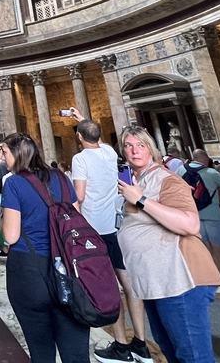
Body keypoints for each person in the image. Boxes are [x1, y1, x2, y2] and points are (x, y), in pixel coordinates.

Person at [115, 126, 220, 363]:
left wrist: (141, 200)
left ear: (151, 148)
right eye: (128, 146)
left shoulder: (166, 179)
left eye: (140, 145)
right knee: (171, 352)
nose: (134, 151)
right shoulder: (138, 178)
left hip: (179, 279)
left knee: (193, 357)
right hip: (156, 281)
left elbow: (190, 223)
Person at [0, 133, 90, 363]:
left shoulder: (14, 182)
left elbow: (11, 236)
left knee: (41, 352)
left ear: (17, 154)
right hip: (68, 268)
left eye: (6, 153)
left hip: (31, 271)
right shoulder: (61, 177)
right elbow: (76, 219)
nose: (4, 158)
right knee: (77, 354)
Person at [70, 115, 149, 363]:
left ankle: (122, 346)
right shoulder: (108, 152)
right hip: (119, 224)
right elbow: (97, 138)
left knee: (108, 287)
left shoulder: (80, 158)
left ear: (79, 137)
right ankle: (141, 343)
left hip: (96, 228)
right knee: (130, 284)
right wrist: (83, 119)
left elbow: (79, 195)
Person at [177, 149, 220, 288]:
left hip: (192, 215)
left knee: (203, 246)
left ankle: (209, 276)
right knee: (218, 247)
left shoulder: (180, 170)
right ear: (206, 158)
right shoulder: (211, 172)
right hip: (213, 215)